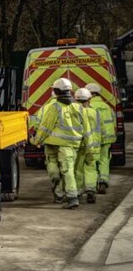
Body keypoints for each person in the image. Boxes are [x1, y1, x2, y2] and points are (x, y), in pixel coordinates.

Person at [29, 77, 86, 209]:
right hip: (68, 146)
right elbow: (85, 128)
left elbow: (45, 127)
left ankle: (71, 197)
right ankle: (61, 194)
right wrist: (86, 144)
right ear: (70, 91)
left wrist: (36, 141)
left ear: (55, 90)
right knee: (65, 171)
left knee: (60, 171)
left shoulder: (54, 107)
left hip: (57, 145)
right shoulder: (79, 107)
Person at [86, 83, 116, 193]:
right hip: (107, 138)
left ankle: (91, 185)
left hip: (94, 139)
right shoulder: (107, 107)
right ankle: (103, 180)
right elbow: (114, 123)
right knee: (104, 159)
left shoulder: (89, 107)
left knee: (92, 161)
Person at [74, 87, 102, 204]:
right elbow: (102, 129)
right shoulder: (95, 112)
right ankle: (90, 189)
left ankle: (79, 192)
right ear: (89, 100)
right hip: (94, 145)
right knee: (91, 168)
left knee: (78, 169)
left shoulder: (74, 113)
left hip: (79, 146)